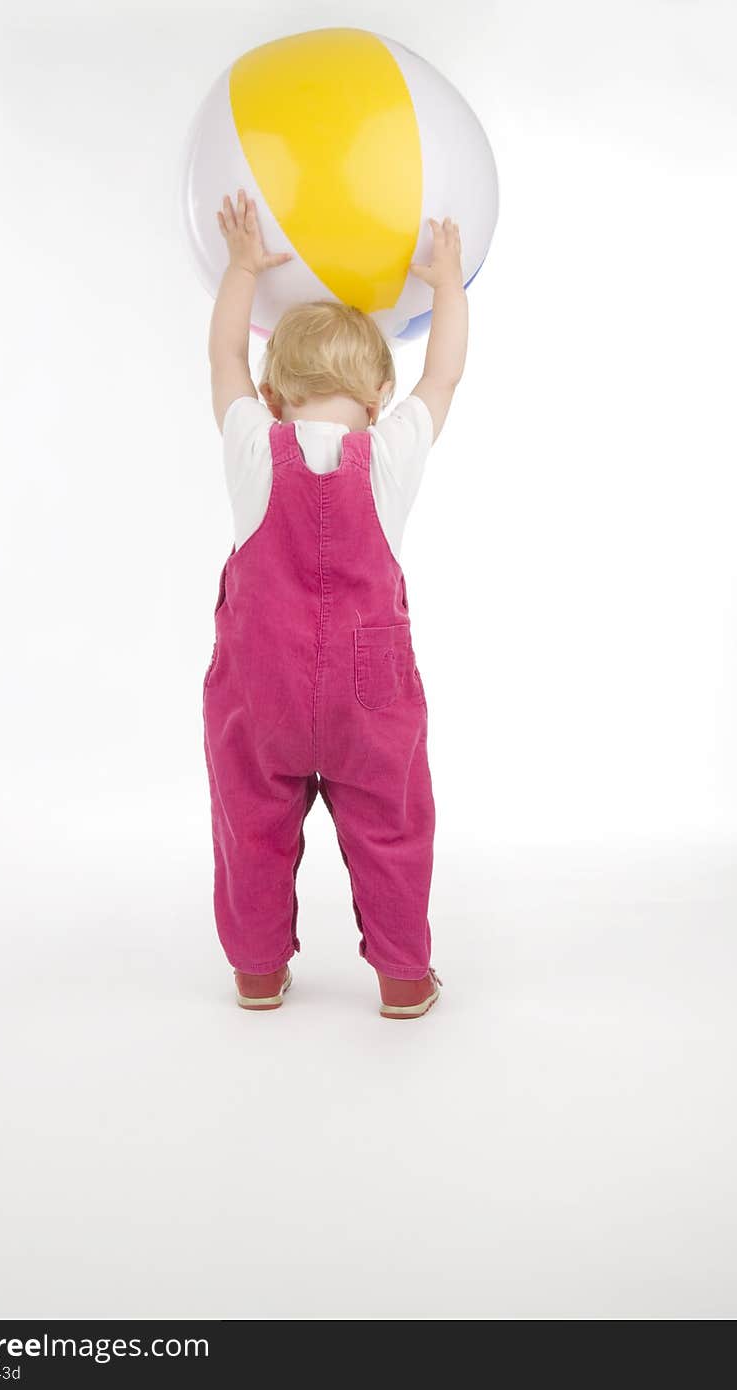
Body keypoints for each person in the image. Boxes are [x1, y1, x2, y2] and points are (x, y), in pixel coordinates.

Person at [203, 188, 467, 1019]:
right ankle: (401, 979)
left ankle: (255, 971)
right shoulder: (390, 455)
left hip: (263, 686)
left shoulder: (254, 448)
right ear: (379, 394)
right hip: (370, 692)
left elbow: (222, 365)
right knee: (392, 829)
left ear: (273, 396)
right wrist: (449, 284)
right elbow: (447, 372)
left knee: (252, 826)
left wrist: (243, 267)